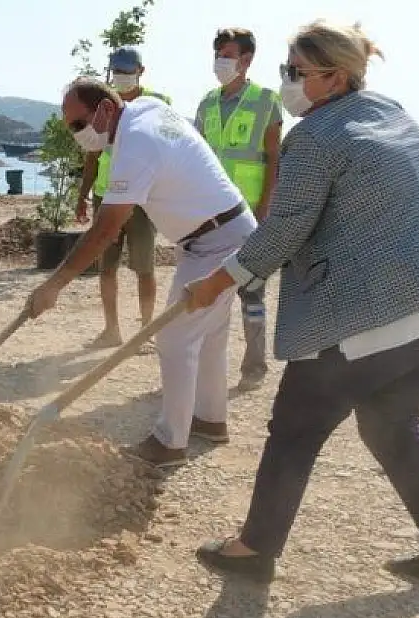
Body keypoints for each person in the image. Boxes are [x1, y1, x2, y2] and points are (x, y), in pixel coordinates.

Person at [187, 20, 419, 583]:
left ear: (334, 77)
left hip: (363, 323)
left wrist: (217, 282)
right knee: (391, 426)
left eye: (295, 73)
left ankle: (254, 550)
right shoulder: (392, 111)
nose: (288, 84)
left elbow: (285, 228)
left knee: (295, 429)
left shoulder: (313, 138)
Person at [27, 77, 256, 468]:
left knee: (175, 339)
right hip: (221, 232)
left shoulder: (137, 142)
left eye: (78, 125)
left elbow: (105, 230)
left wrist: (54, 284)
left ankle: (169, 443)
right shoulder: (146, 110)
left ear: (105, 109)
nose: (77, 135)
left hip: (216, 239)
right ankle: (210, 420)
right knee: (210, 335)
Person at [195, 28, 283, 391]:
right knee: (206, 290)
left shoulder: (266, 100)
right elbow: (196, 158)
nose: (220, 60)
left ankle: (254, 367)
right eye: (217, 52)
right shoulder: (207, 103)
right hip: (210, 214)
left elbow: (275, 158)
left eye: (227, 54)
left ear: (246, 60)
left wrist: (265, 208)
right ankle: (200, 363)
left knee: (251, 292)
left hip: (249, 216)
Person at [76, 46, 172, 349]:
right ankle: (112, 330)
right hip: (107, 195)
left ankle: (146, 331)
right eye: (116, 70)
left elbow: (168, 151)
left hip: (142, 198)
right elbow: (93, 155)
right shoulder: (102, 106)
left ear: (141, 71)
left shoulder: (158, 104)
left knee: (145, 267)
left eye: (127, 71)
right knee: (107, 267)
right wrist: (83, 195)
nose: (121, 76)